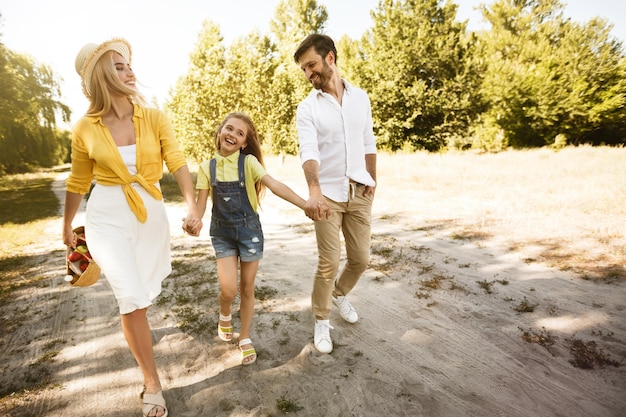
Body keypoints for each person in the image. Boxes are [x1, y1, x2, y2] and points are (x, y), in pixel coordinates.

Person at [63, 37, 202, 417]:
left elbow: (176, 160)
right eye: (118, 66)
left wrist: (193, 207)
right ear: (100, 76)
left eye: (128, 65)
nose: (129, 71)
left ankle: (147, 364)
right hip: (106, 215)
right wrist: (66, 227)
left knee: (143, 293)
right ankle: (152, 382)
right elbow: (78, 182)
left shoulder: (153, 116)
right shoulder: (85, 128)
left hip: (149, 212)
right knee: (131, 298)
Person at [194, 112, 327, 365]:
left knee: (246, 287)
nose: (232, 134)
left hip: (249, 233)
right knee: (228, 289)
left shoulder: (249, 163)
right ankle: (224, 313)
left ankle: (244, 336)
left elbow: (276, 185)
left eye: (240, 133)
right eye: (229, 129)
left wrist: (305, 204)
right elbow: (200, 207)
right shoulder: (205, 167)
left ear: (244, 143)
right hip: (222, 234)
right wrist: (194, 220)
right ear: (220, 132)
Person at [293, 34, 377, 354]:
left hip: (358, 190)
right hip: (326, 195)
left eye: (311, 65)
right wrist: (314, 191)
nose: (308, 74)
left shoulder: (361, 98)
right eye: (303, 69)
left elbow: (368, 142)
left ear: (330, 58)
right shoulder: (307, 108)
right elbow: (308, 151)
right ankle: (321, 319)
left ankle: (339, 294)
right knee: (329, 261)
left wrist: (373, 180)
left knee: (360, 259)